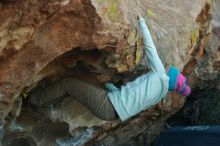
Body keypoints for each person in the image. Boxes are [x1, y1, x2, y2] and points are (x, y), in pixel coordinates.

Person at [28, 15, 191, 121]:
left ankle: (33, 101)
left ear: (169, 77)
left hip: (108, 105)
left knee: (68, 84)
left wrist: (142, 24)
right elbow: (134, 100)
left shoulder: (160, 75)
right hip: (112, 112)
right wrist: (113, 89)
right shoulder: (161, 94)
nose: (167, 68)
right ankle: (43, 101)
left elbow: (150, 49)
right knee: (90, 81)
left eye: (170, 70)